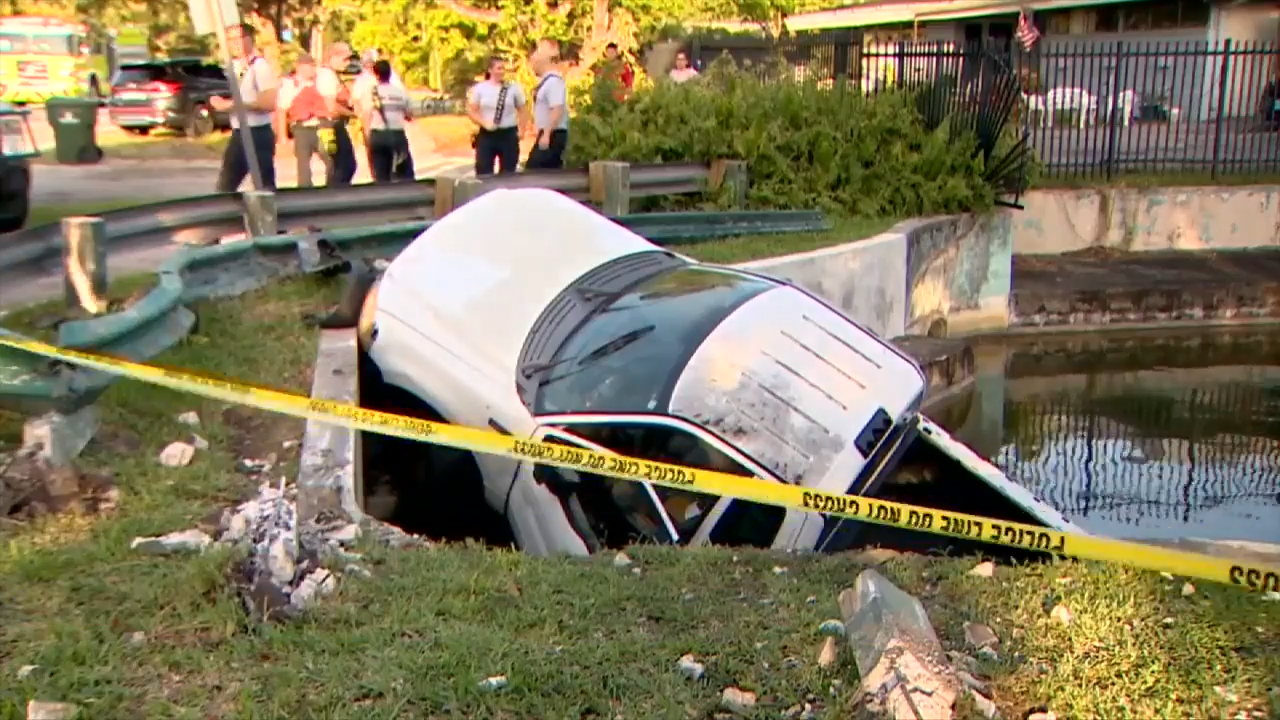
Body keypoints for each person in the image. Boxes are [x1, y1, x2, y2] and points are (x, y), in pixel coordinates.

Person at [211, 23, 278, 192]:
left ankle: (267, 209)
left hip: (257, 132)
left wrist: (235, 106)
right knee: (226, 185)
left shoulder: (259, 66)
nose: (235, 43)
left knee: (264, 186)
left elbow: (269, 103)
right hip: (239, 131)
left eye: (239, 38)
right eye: (231, 39)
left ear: (250, 39)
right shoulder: (232, 67)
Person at [358, 59, 415, 183]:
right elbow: (410, 115)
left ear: (376, 74)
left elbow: (366, 117)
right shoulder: (400, 93)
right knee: (405, 174)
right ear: (390, 74)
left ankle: (383, 192)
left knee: (381, 175)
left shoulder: (370, 94)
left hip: (378, 135)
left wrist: (368, 139)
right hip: (397, 135)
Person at [467, 56, 525, 176]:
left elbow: (523, 110)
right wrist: (484, 123)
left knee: (508, 173)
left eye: (503, 68)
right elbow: (472, 111)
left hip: (508, 134)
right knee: (483, 171)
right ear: (490, 70)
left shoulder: (513, 88)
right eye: (499, 68)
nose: (502, 71)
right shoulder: (480, 89)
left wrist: (522, 129)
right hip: (487, 134)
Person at [285, 54, 334, 188]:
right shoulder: (290, 85)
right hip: (301, 128)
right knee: (303, 165)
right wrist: (282, 136)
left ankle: (331, 189)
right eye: (310, 66)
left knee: (331, 159)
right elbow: (282, 109)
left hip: (323, 125)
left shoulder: (321, 82)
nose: (313, 69)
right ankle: (305, 191)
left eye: (313, 66)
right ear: (300, 68)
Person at [316, 41, 358, 186]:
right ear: (333, 57)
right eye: (344, 59)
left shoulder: (333, 75)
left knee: (343, 166)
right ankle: (334, 195)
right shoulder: (326, 75)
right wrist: (353, 114)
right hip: (330, 126)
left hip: (335, 124)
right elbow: (331, 106)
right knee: (342, 166)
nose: (348, 63)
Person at [527, 41, 568, 170]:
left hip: (553, 133)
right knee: (548, 171)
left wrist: (546, 134)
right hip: (548, 132)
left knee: (535, 171)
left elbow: (557, 108)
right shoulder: (547, 82)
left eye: (538, 51)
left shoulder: (554, 82)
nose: (534, 56)